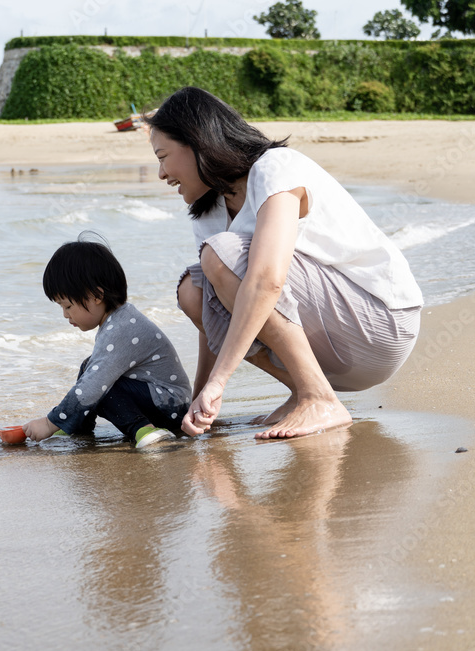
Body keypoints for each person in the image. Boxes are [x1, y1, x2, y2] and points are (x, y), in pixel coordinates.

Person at [147, 87, 422, 440]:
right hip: (332, 351)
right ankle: (305, 390)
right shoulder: (208, 212)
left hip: (380, 325)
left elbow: (267, 280)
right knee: (193, 290)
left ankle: (318, 396)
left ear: (196, 142)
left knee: (220, 256)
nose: (160, 173)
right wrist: (199, 399)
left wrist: (220, 380)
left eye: (162, 156)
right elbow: (211, 314)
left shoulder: (274, 169)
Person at [23, 238, 193, 448]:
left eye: (67, 306)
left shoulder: (122, 328)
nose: (65, 315)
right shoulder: (118, 321)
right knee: (90, 367)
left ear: (96, 295)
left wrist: (51, 422)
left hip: (171, 406)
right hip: (163, 402)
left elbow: (93, 386)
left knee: (99, 384)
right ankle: (78, 427)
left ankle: (144, 429)